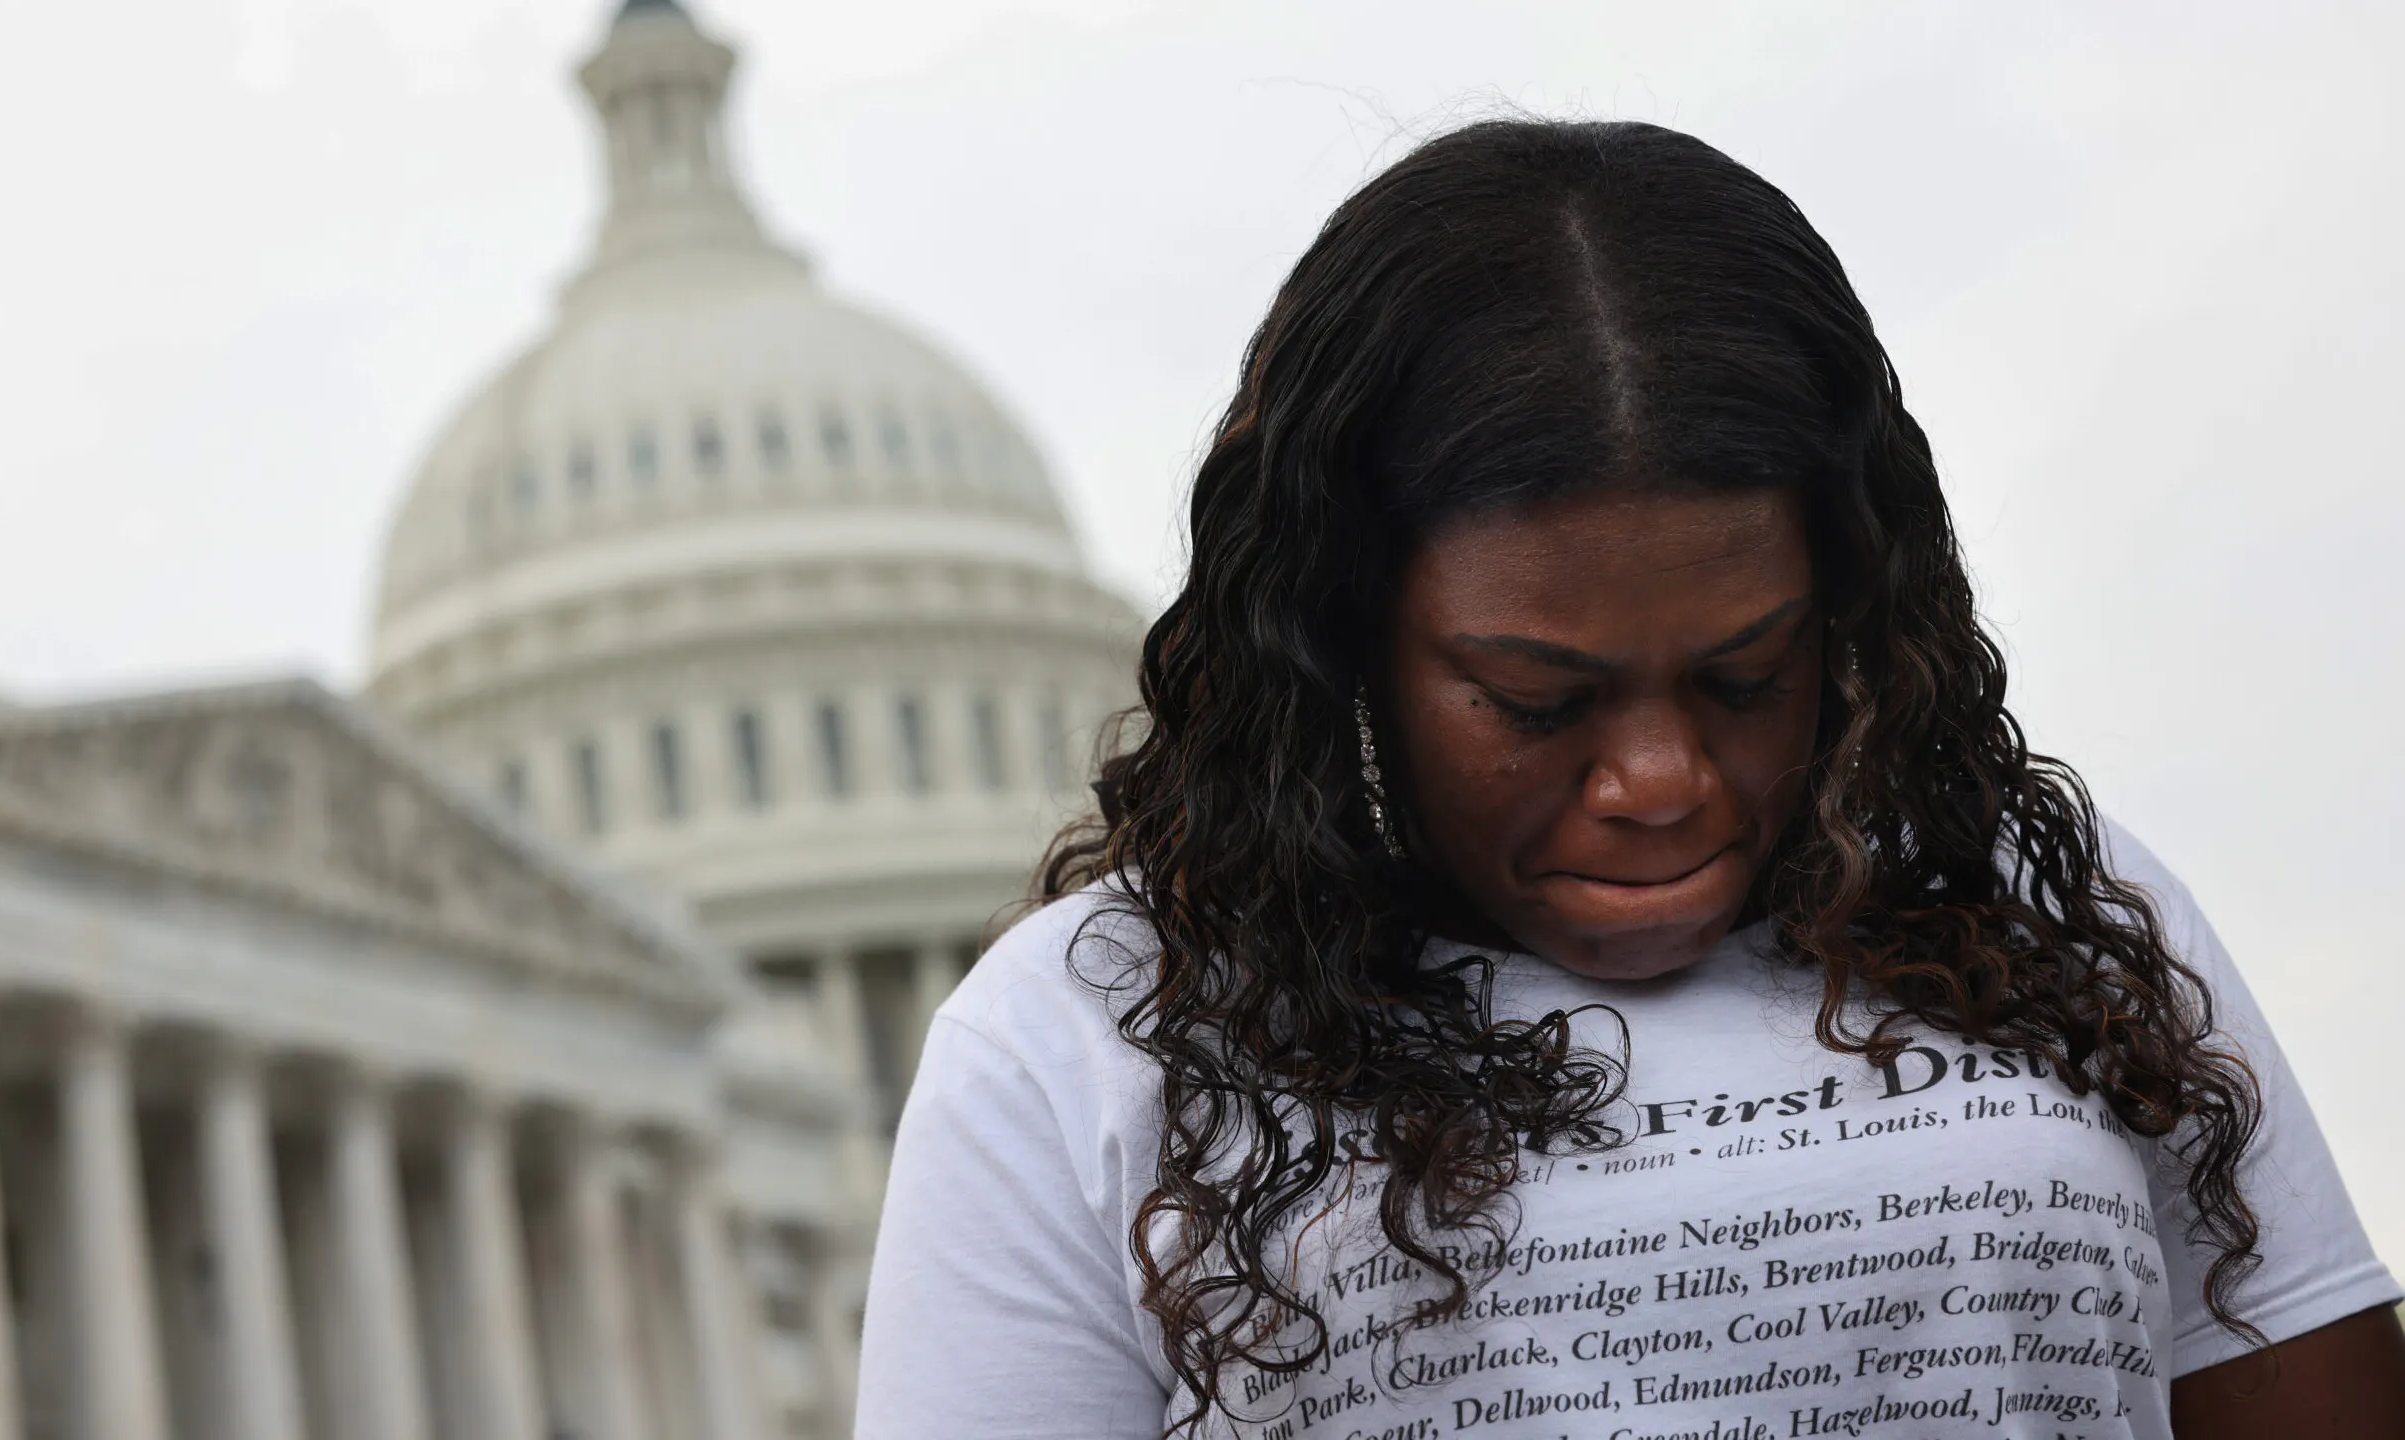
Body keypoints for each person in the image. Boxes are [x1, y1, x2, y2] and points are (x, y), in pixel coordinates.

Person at [854, 119, 2405, 1439]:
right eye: (1540, 700)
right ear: (1345, 645)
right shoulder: (1090, 1035)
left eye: (1746, 676)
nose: (1662, 781)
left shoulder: (2048, 915)